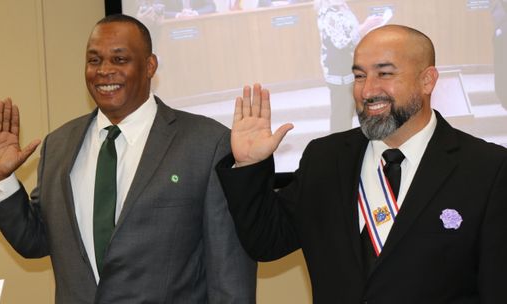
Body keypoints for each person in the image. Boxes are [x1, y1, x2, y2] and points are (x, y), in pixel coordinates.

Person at [216, 24, 507, 303]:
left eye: (384, 73)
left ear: (427, 80)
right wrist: (249, 166)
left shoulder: (488, 169)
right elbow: (268, 243)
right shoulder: (325, 158)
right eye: (359, 76)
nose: (367, 91)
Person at [0, 14, 256, 303]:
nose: (104, 71)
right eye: (94, 60)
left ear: (150, 66)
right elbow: (36, 241)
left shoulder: (207, 143)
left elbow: (230, 274)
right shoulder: (58, 145)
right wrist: (0, 180)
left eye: (120, 60)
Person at [315, 0, 386, 133]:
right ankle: (337, 145)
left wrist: (366, 27)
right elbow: (342, 43)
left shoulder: (341, 6)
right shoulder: (329, 13)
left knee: (352, 108)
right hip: (338, 70)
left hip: (349, 65)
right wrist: (365, 27)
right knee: (341, 112)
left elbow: (350, 31)